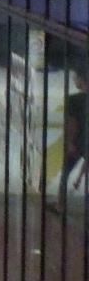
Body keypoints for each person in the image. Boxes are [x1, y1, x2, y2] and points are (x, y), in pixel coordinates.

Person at [51, 64, 87, 214]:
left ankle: (60, 205)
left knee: (65, 173)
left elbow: (72, 124)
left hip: (77, 142)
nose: (74, 80)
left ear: (82, 80)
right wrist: (79, 177)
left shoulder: (74, 100)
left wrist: (70, 142)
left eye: (76, 78)